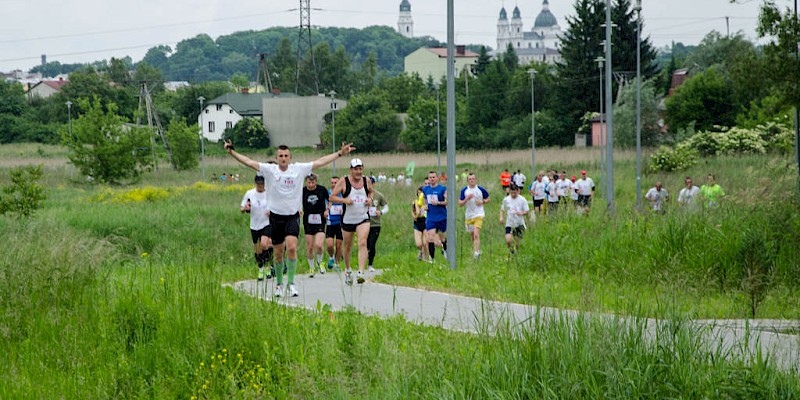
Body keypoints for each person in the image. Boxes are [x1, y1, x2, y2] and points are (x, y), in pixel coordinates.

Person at [224, 140, 354, 297]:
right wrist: (232, 152)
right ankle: (279, 284)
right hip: (276, 217)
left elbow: (320, 161)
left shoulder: (298, 169)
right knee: (278, 253)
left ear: (290, 158)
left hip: (292, 216)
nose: (283, 158)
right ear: (277, 157)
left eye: (286, 156)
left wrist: (340, 153)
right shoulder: (270, 170)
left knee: (291, 247)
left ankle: (291, 283)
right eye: (280, 156)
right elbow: (249, 162)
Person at [330, 158, 373, 284]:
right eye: (356, 169)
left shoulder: (366, 180)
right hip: (348, 219)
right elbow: (331, 197)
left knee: (362, 242)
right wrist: (344, 200)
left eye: (360, 169)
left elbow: (371, 192)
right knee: (347, 246)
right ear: (351, 170)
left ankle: (360, 272)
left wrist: (370, 199)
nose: (358, 172)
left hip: (363, 217)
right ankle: (348, 270)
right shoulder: (344, 181)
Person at [241, 174, 273, 281]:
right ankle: (261, 269)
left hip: (266, 223)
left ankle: (268, 267)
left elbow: (275, 206)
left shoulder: (269, 193)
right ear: (255, 183)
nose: (260, 186)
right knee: (258, 250)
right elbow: (242, 208)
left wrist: (271, 212)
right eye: (258, 184)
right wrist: (244, 208)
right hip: (254, 225)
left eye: (262, 184)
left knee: (265, 244)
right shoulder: (250, 193)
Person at [458, 173, 490, 259]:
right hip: (469, 216)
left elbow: (488, 199)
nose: (472, 180)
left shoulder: (480, 189)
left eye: (473, 179)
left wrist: (482, 202)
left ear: (476, 180)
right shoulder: (464, 190)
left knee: (476, 234)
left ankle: (476, 254)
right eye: (470, 179)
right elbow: (460, 204)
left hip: (479, 214)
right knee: (472, 236)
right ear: (468, 181)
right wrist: (466, 199)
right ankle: (478, 250)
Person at [302, 173, 329, 277]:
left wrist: (327, 210)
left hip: (320, 218)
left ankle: (320, 261)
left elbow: (330, 199)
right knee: (310, 246)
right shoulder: (303, 191)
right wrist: (299, 209)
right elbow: (296, 201)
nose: (311, 185)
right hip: (308, 219)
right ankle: (311, 268)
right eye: (309, 182)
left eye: (313, 182)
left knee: (319, 244)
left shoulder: (322, 189)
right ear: (306, 182)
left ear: (316, 182)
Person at [422, 170, 448, 262]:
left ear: (437, 178)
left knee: (442, 237)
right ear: (428, 179)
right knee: (430, 237)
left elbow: (447, 201)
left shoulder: (442, 189)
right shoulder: (425, 189)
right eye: (430, 177)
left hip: (441, 216)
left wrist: (438, 203)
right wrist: (425, 206)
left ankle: (445, 250)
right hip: (431, 217)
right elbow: (424, 199)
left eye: (433, 177)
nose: (432, 179)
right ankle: (431, 258)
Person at [500, 183, 530, 255]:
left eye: (515, 193)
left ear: (518, 191)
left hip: (519, 223)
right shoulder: (506, 199)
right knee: (508, 240)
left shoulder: (522, 200)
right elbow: (502, 209)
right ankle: (511, 251)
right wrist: (501, 217)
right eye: (512, 192)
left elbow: (527, 211)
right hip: (509, 223)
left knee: (518, 243)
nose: (513, 194)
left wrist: (521, 213)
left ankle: (518, 254)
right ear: (509, 191)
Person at [367, 188, 389, 272]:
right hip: (364, 224)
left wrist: (381, 212)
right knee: (365, 244)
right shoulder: (362, 194)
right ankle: (364, 259)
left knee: (372, 244)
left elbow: (386, 207)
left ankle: (370, 264)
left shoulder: (379, 195)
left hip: (375, 224)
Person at [325, 176, 343, 270]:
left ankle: (336, 263)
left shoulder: (343, 194)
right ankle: (331, 257)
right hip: (330, 223)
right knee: (330, 245)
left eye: (335, 183)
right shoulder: (327, 193)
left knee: (339, 245)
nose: (333, 185)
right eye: (332, 183)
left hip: (340, 223)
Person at [412, 185, 429, 261]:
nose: (419, 194)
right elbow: (413, 211)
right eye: (418, 193)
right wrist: (414, 215)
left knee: (425, 243)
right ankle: (421, 251)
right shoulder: (415, 202)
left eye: (421, 193)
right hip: (417, 222)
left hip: (425, 221)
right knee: (418, 244)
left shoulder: (427, 203)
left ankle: (427, 257)